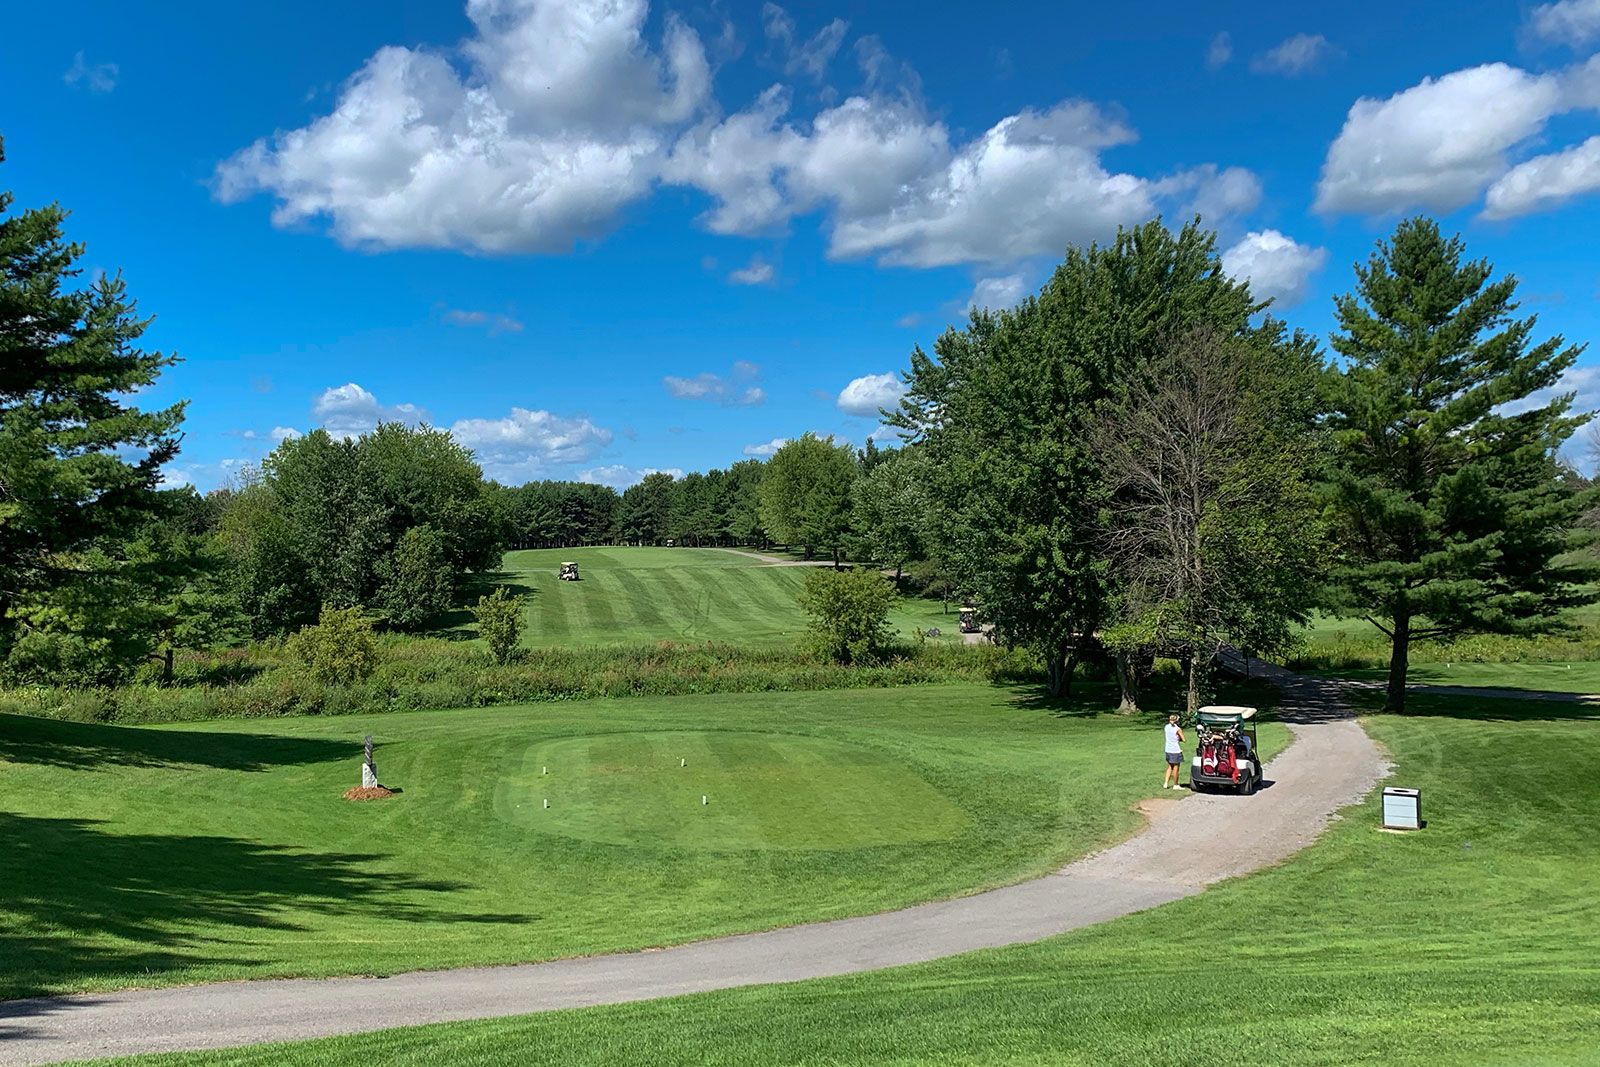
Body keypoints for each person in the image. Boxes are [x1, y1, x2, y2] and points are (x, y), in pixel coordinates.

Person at [1162, 713, 1185, 789]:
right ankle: (1175, 784)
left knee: (1169, 766)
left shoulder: (1166, 727)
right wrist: (1179, 738)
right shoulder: (1178, 729)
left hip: (1168, 749)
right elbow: (1184, 739)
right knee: (1176, 768)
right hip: (1175, 750)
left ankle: (1165, 783)